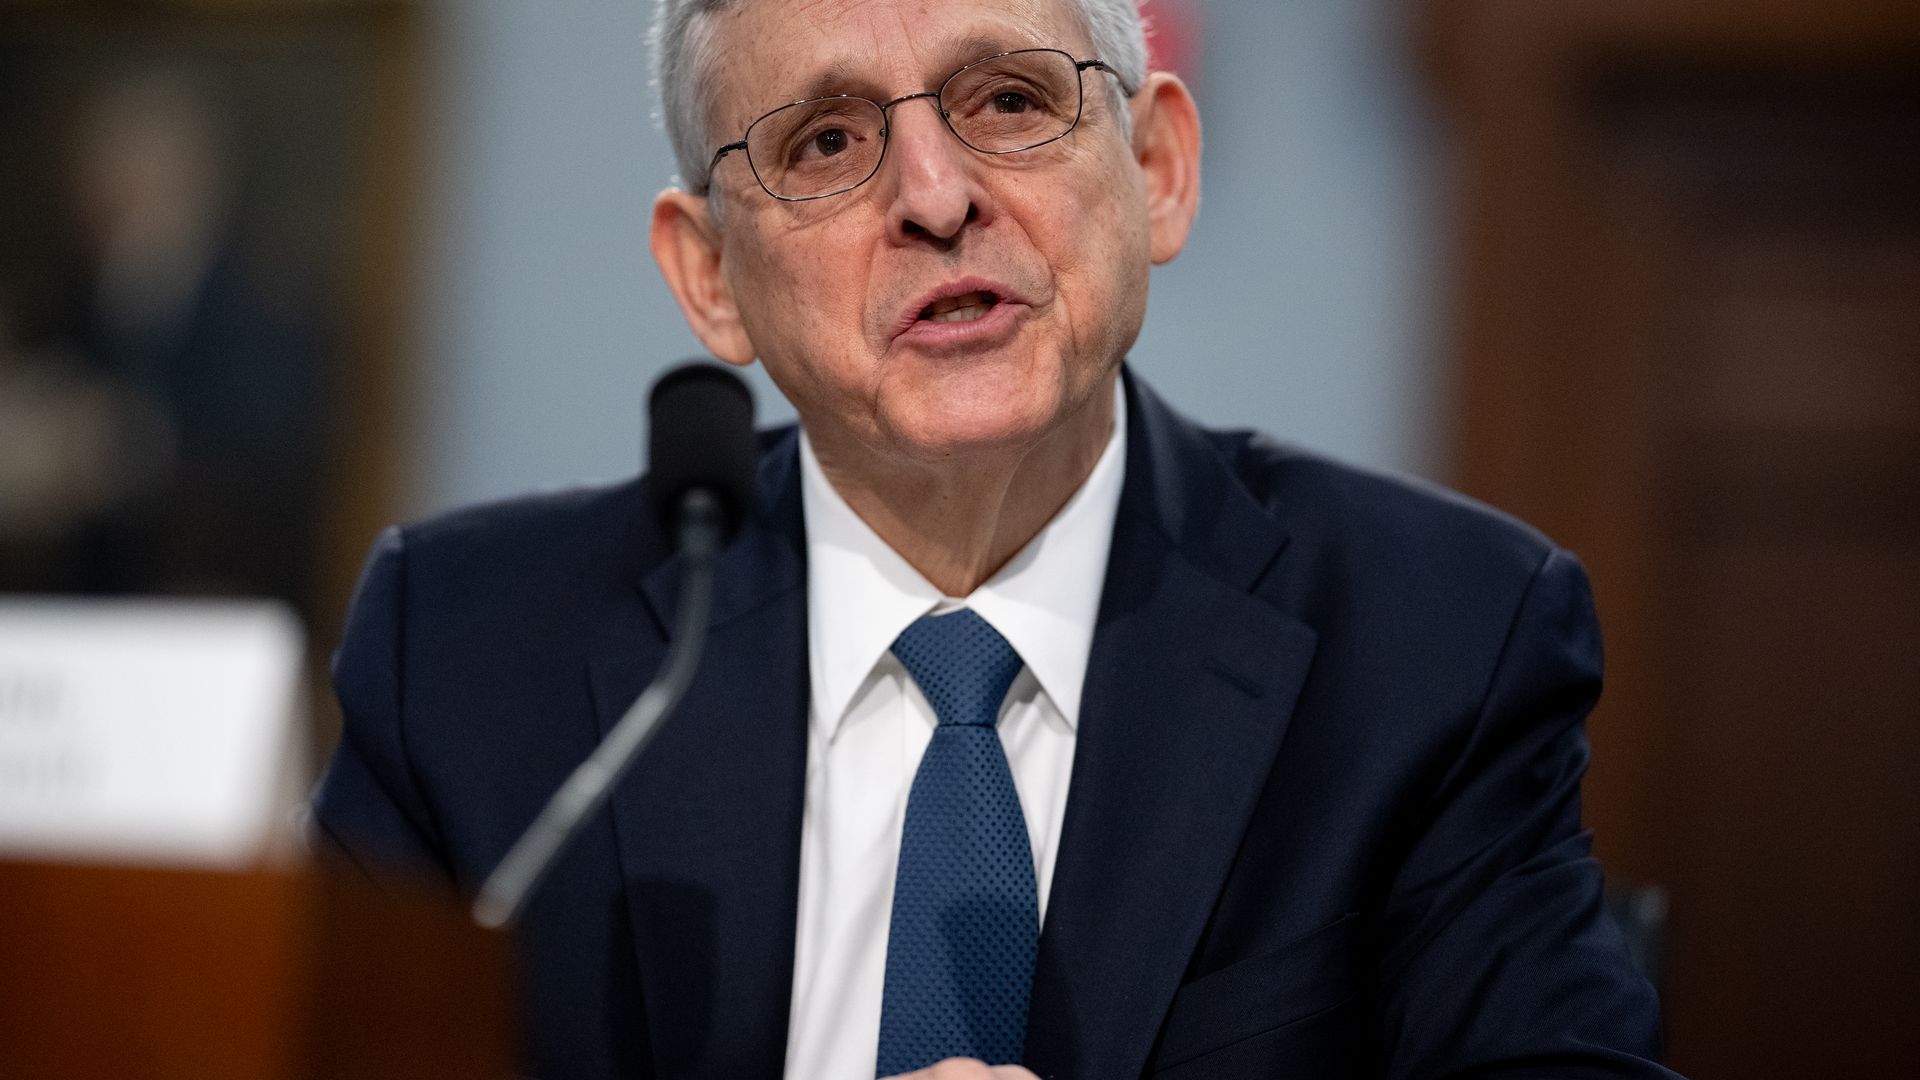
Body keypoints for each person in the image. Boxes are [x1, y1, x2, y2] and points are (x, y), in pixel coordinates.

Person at [313, 1, 1678, 1077]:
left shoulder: (1439, 642)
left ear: (1157, 169)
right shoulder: (470, 661)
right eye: (826, 143)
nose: (936, 196)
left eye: (1010, 102)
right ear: (710, 275)